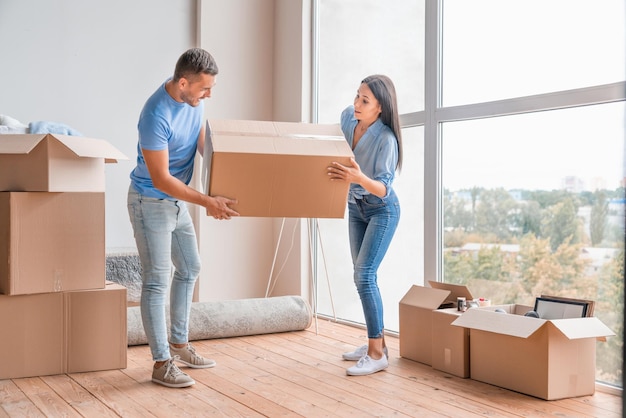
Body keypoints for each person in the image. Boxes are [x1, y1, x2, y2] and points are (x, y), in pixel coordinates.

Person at [127, 48, 239, 388]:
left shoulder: (195, 101)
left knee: (190, 268)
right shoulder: (154, 115)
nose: (209, 95)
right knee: (157, 281)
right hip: (151, 202)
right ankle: (161, 363)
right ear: (183, 82)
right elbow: (161, 178)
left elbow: (203, 143)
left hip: (177, 203)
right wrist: (208, 202)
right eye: (205, 88)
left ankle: (179, 344)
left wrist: (236, 177)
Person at [327, 74, 402, 376]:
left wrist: (358, 178)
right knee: (360, 277)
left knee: (365, 275)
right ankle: (376, 343)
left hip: (382, 209)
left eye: (365, 100)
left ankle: (377, 353)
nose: (356, 104)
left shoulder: (386, 139)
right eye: (357, 96)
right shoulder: (348, 117)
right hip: (355, 206)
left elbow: (384, 188)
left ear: (380, 107)